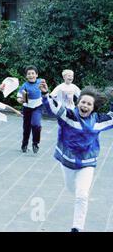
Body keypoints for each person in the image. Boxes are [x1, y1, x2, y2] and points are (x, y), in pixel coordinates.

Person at [40, 81, 113, 232]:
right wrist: (45, 94)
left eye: (89, 104)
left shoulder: (98, 121)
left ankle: (77, 227)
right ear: (78, 103)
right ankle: (80, 191)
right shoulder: (69, 116)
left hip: (87, 162)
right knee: (71, 188)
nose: (85, 106)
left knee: (82, 195)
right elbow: (54, 108)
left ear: (93, 108)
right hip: (67, 162)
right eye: (83, 102)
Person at [17, 65, 43, 154]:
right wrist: (21, 100)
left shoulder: (40, 82)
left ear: (37, 75)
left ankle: (35, 143)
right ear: (26, 76)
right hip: (27, 108)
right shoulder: (24, 85)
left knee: (36, 125)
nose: (31, 75)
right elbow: (19, 97)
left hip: (38, 107)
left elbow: (45, 90)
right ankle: (24, 144)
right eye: (29, 74)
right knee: (26, 128)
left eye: (33, 73)